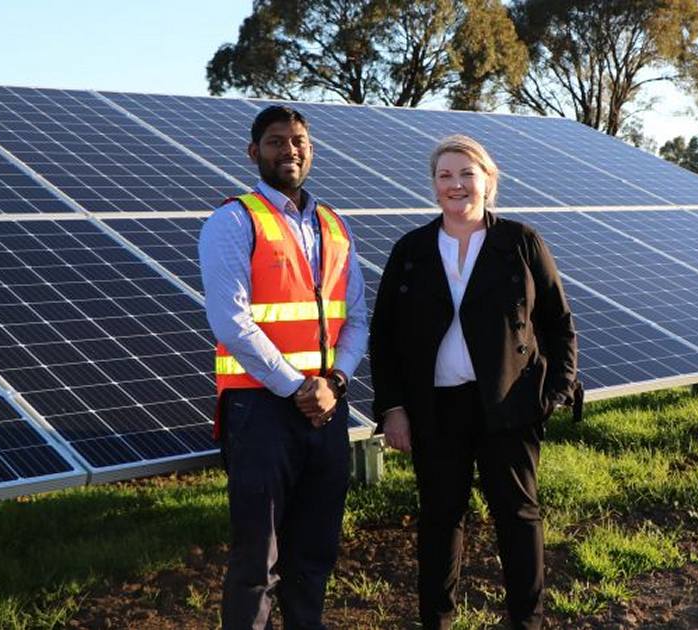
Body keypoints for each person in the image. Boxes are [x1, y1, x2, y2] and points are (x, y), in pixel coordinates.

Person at [369, 134, 581, 629]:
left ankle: (525, 621)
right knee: (440, 519)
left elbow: (558, 321)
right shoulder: (411, 251)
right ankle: (436, 621)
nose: (456, 184)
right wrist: (393, 408)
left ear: (488, 180)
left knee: (518, 516)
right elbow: (385, 336)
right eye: (445, 175)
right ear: (434, 186)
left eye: (467, 174)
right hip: (435, 410)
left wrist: (553, 393)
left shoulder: (520, 243)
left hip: (508, 406)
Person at [198, 105, 367, 630]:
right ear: (254, 153)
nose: (288, 151)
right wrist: (299, 387)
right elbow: (232, 322)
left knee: (314, 555)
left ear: (310, 150)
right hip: (260, 410)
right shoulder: (234, 220)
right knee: (257, 561)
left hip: (327, 409)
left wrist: (335, 383)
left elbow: (356, 317)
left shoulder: (335, 226)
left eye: (297, 141)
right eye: (275, 142)